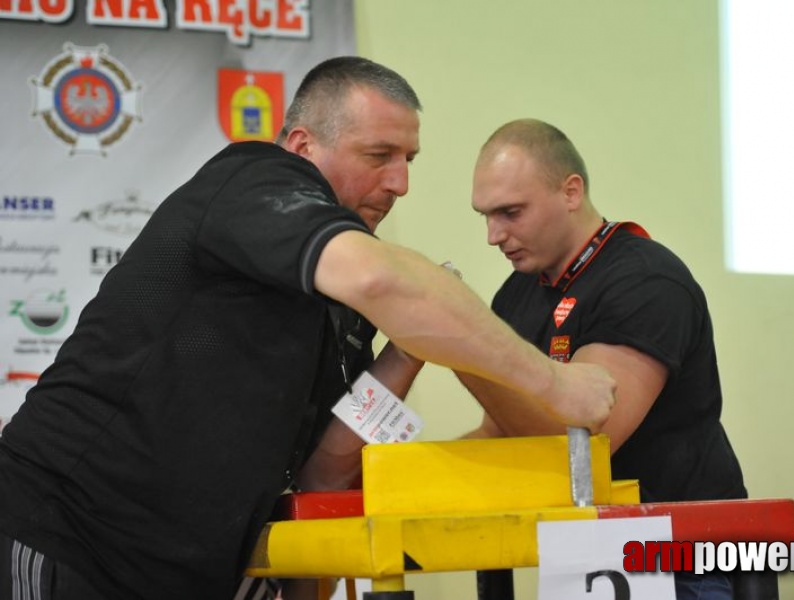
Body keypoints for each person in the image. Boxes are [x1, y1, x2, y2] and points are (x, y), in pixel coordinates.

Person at [0, 60, 617, 600]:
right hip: (70, 535)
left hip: (193, 566)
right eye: (379, 157)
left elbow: (327, 463)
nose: (400, 183)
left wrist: (405, 352)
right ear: (301, 145)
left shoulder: (337, 281)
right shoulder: (254, 178)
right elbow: (386, 281)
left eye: (409, 161)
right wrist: (556, 385)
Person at [462, 119, 746, 599]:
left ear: (571, 192)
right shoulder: (515, 294)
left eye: (510, 212)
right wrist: (401, 476)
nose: (494, 235)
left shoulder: (645, 281)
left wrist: (458, 344)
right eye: (485, 215)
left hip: (684, 555)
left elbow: (587, 447)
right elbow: (499, 432)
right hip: (589, 553)